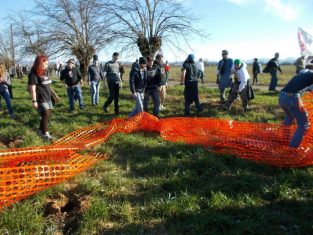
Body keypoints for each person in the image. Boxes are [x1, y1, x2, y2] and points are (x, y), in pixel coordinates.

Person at [278, 61, 313, 148]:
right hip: (292, 98)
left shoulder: (302, 73)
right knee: (304, 123)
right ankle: (292, 148)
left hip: (281, 97)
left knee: (290, 117)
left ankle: (283, 139)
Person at [28, 55, 60, 141]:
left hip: (48, 96)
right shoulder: (33, 73)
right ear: (39, 63)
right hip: (40, 98)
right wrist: (34, 101)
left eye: (47, 64)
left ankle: (40, 130)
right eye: (45, 64)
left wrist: (55, 95)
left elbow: (48, 85)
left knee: (47, 115)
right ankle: (45, 133)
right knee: (45, 114)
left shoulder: (45, 72)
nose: (46, 66)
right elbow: (32, 88)